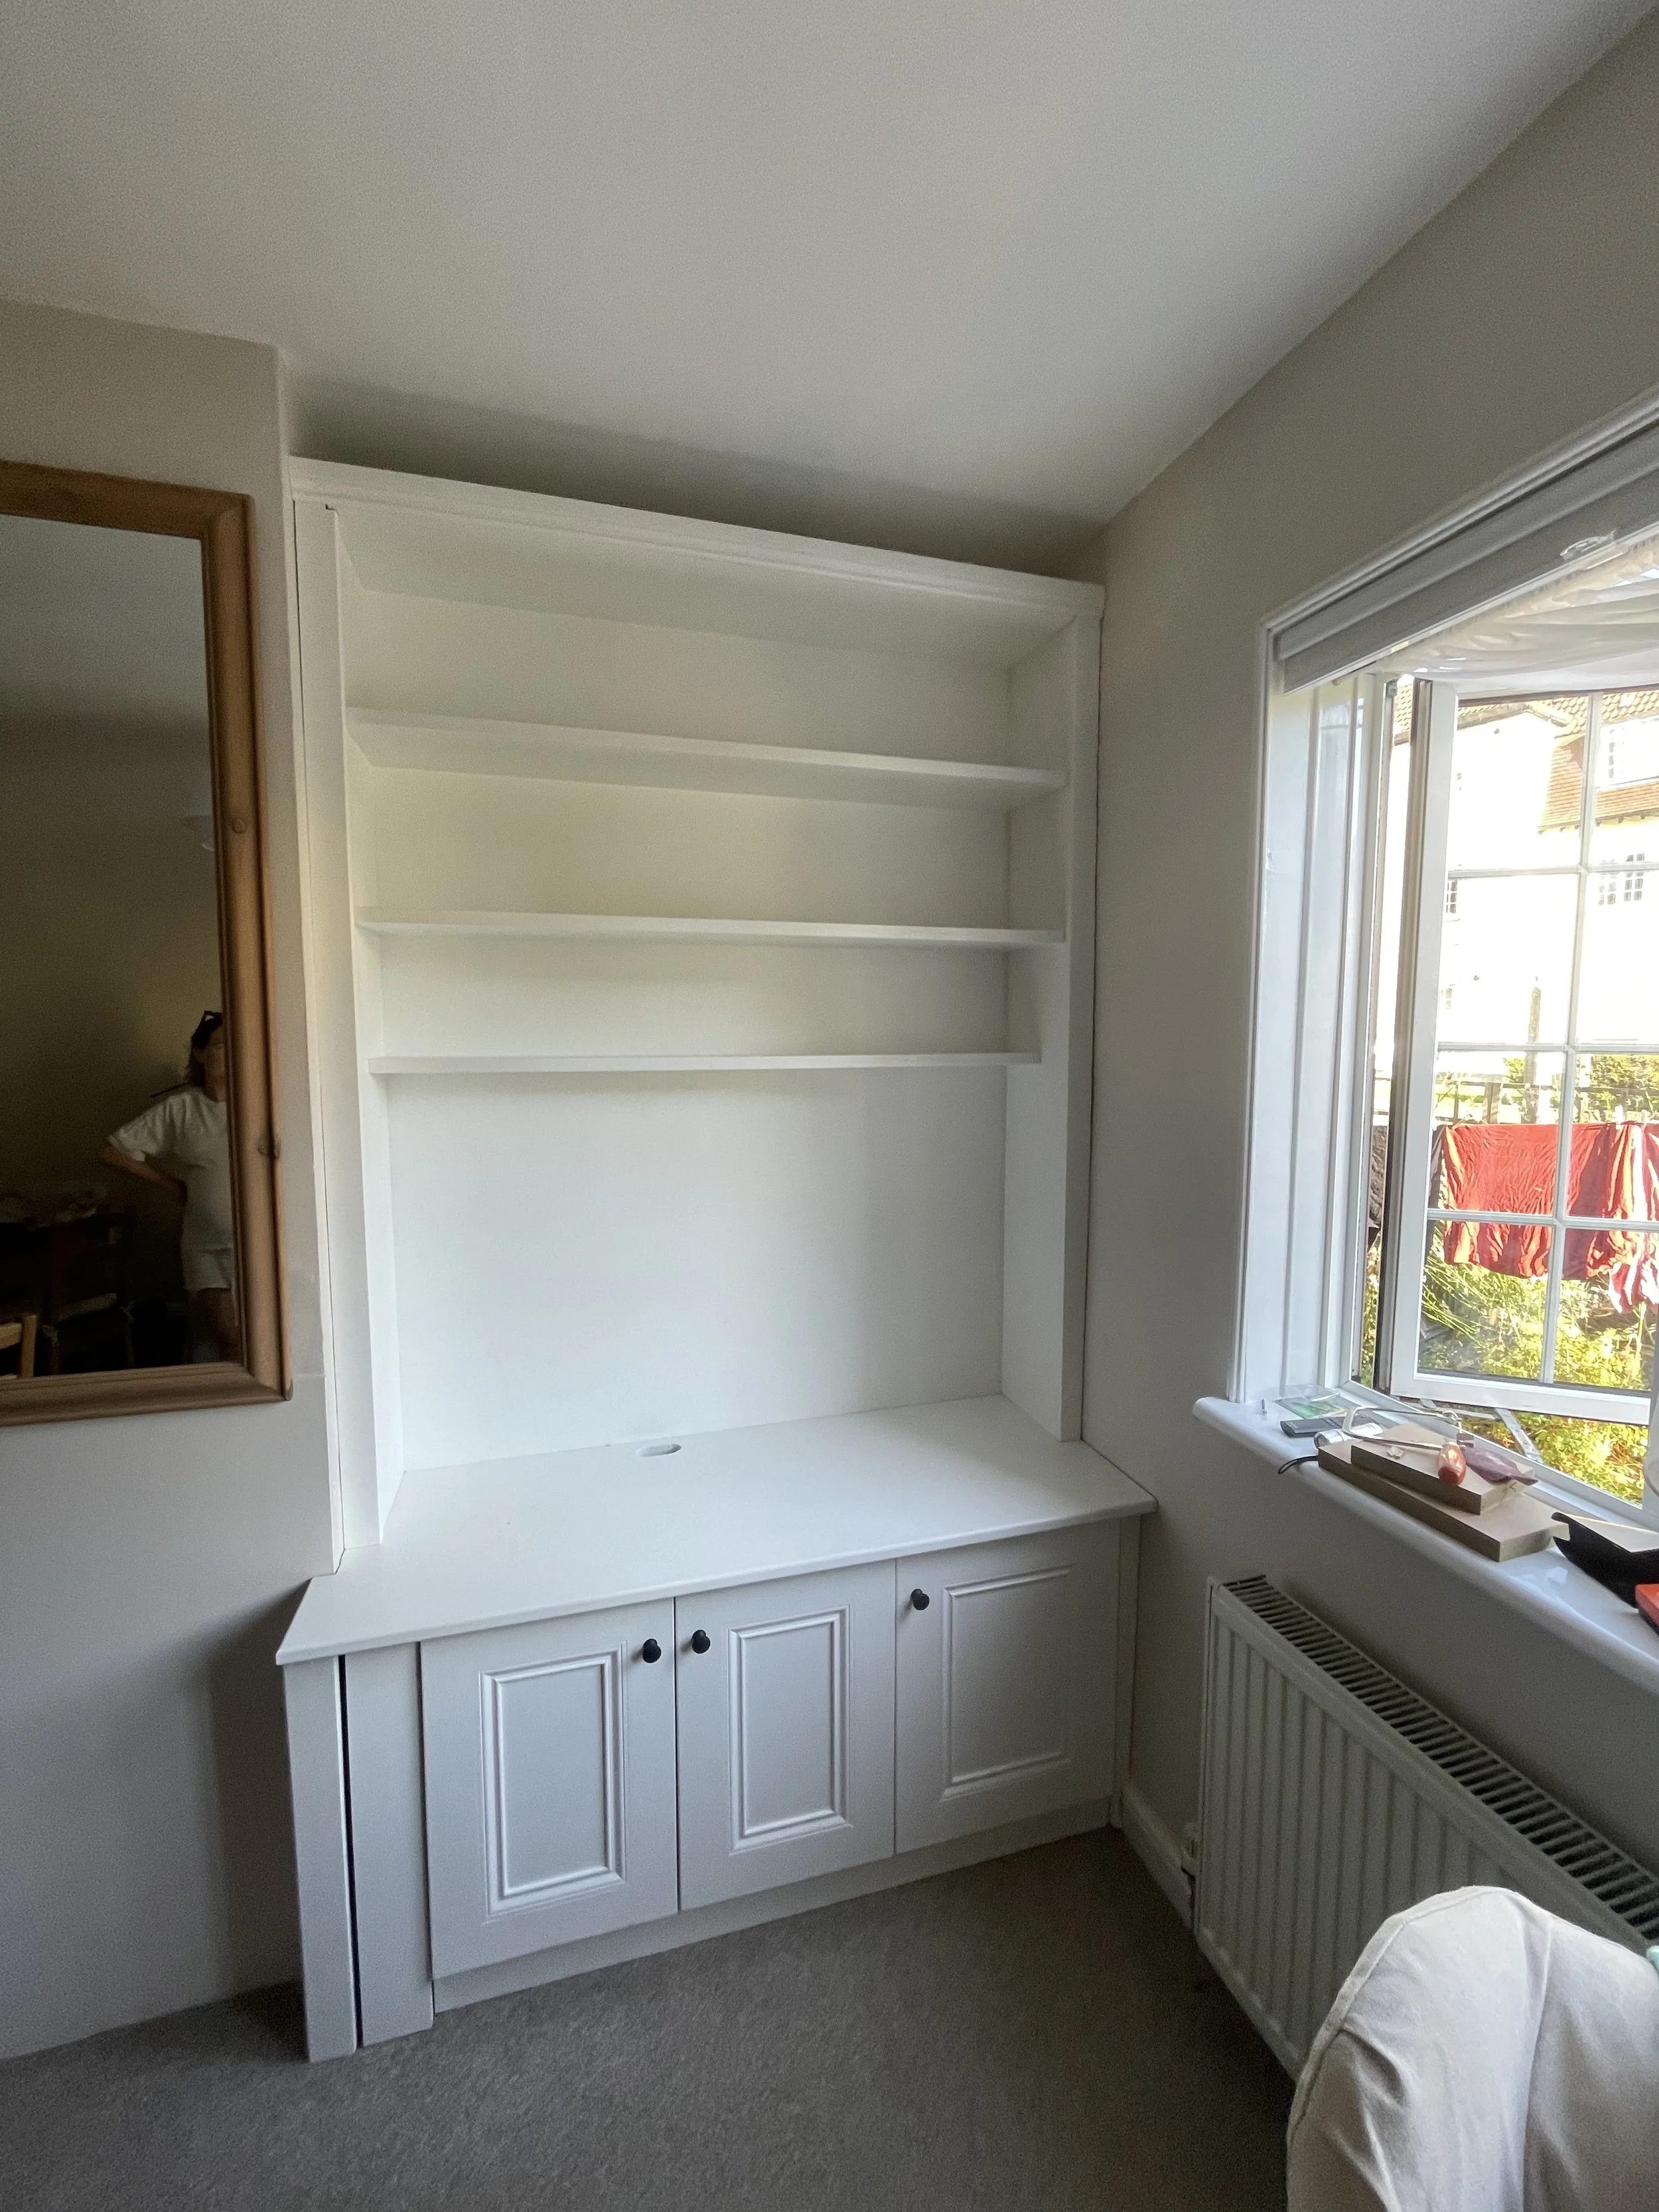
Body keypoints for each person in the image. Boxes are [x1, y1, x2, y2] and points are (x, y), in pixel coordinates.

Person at [100, 1011, 239, 1362]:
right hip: (206, 1244)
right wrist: (172, 1184)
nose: (232, 1051)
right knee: (227, 1339)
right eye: (221, 1044)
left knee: (261, 1343)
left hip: (259, 1244)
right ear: (200, 1053)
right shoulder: (181, 1109)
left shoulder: (262, 1104)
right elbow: (112, 1151)